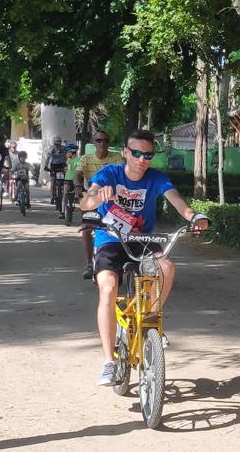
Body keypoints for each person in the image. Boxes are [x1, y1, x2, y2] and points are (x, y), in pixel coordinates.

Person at [80, 129, 208, 386]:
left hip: (142, 239)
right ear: (126, 153)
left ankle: (150, 319)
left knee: (167, 267)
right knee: (108, 289)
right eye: (136, 153)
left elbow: (177, 200)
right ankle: (108, 361)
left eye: (147, 154)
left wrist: (194, 216)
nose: (142, 159)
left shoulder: (156, 178)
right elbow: (85, 202)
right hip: (110, 239)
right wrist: (97, 197)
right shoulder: (110, 175)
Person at [75, 131, 124, 279]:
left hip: (112, 200)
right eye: (99, 140)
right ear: (93, 142)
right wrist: (77, 186)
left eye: (105, 140)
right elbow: (77, 175)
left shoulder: (116, 158)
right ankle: (89, 264)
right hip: (92, 200)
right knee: (86, 228)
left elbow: (123, 176)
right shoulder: (85, 158)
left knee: (120, 228)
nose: (102, 143)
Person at [44, 135, 66, 205]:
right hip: (53, 165)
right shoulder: (51, 148)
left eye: (59, 142)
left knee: (64, 180)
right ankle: (52, 196)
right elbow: (48, 158)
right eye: (56, 142)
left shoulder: (63, 148)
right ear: (54, 142)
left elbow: (67, 156)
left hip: (62, 164)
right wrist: (46, 166)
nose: (57, 144)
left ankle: (63, 193)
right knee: (53, 181)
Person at [60, 143, 80, 220]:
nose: (66, 154)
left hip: (76, 180)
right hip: (67, 179)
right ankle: (62, 211)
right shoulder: (68, 160)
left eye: (67, 152)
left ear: (72, 152)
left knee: (79, 195)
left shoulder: (78, 160)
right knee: (65, 194)